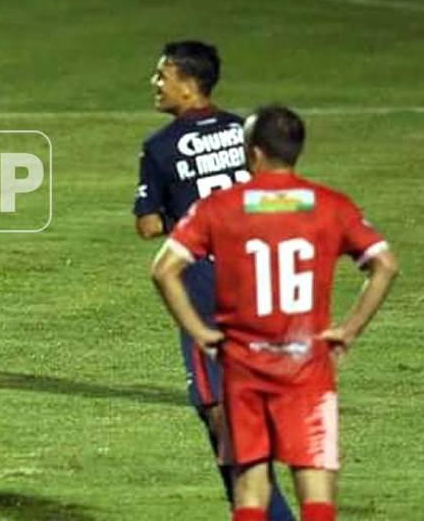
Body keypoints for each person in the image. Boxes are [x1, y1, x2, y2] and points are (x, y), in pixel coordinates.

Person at [151, 105, 399, 521]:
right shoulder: (329, 205)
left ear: (254, 152)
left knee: (250, 490)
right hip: (307, 366)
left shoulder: (218, 208)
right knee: (316, 488)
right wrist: (349, 329)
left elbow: (163, 270)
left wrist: (200, 331)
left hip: (244, 369)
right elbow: (385, 265)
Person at [133, 41, 294, 520]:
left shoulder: (160, 148)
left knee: (222, 414)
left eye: (162, 75)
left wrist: (181, 213)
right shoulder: (246, 133)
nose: (156, 84)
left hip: (207, 295)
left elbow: (148, 226)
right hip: (264, 285)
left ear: (188, 83)